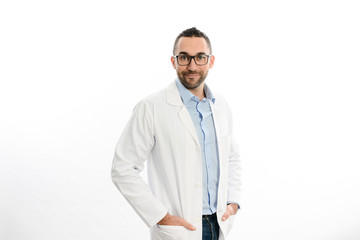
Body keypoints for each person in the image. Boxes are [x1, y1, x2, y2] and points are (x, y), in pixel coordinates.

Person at [111, 27, 241, 240]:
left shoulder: (221, 106)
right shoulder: (151, 107)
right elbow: (122, 168)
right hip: (179, 228)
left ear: (211, 61)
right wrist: (160, 216)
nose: (192, 66)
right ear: (173, 61)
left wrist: (233, 202)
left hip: (219, 224)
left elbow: (231, 156)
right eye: (184, 58)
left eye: (200, 57)